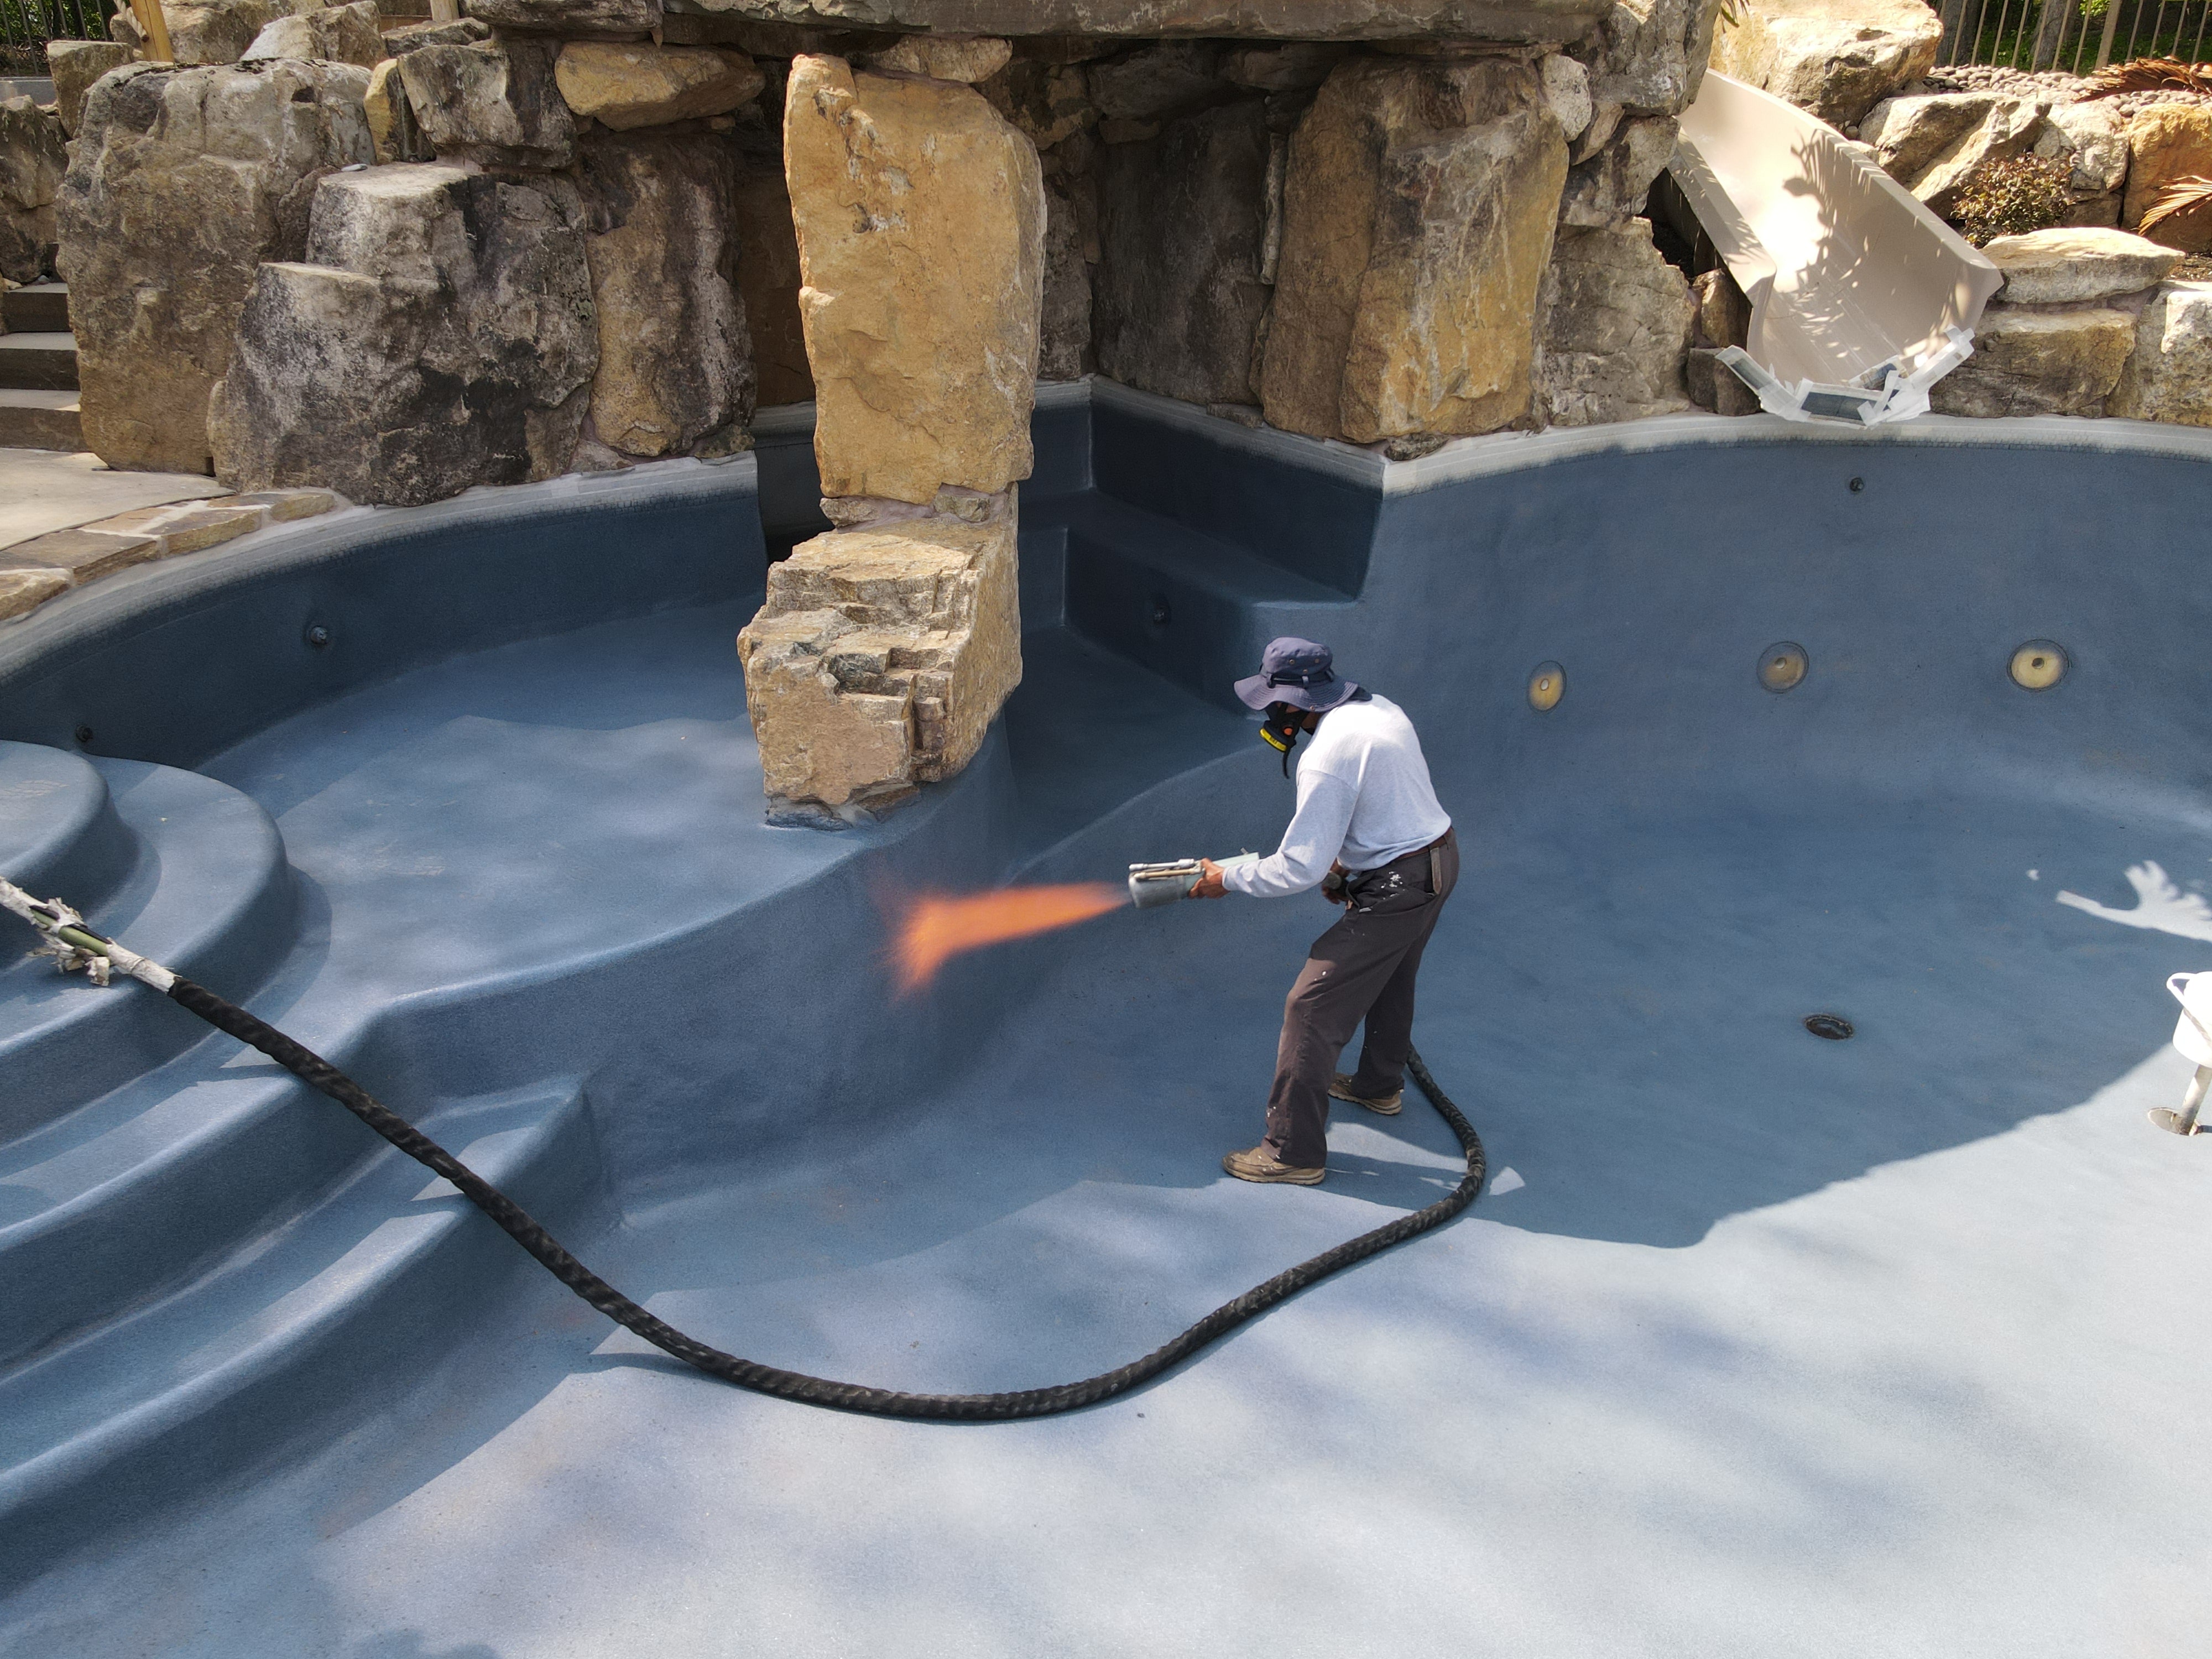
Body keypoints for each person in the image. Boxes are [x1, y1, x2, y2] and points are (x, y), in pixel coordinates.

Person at [1191, 637, 1457, 1185]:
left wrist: (1226, 879)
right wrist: (1347, 870)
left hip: (1401, 885)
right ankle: (1379, 1086)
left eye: (1271, 703)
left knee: (1310, 1006)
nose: (1268, 715)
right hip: (1438, 858)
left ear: (1293, 703)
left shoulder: (1326, 758)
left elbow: (1297, 868)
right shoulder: (1378, 709)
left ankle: (1292, 1151)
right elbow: (1385, 805)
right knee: (1390, 978)